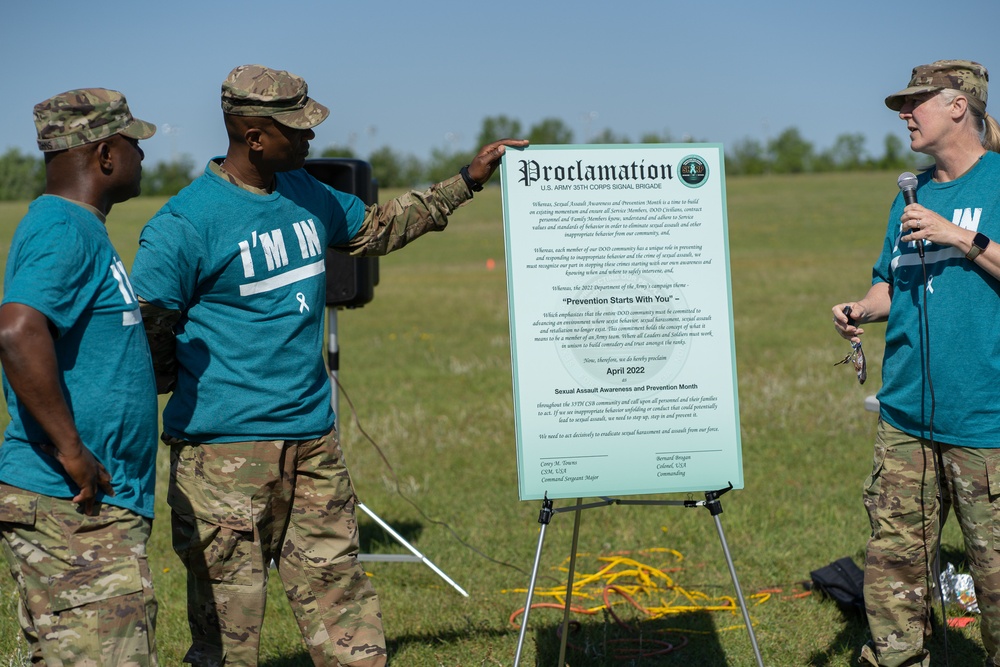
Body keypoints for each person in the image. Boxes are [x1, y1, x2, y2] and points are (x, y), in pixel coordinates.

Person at [129, 63, 526, 667]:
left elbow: (378, 228)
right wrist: (190, 392)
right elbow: (150, 330)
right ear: (253, 135)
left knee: (343, 608)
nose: (311, 139)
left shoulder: (306, 193)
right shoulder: (185, 224)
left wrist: (468, 179)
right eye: (298, 129)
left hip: (313, 443)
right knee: (228, 638)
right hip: (223, 456)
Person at [833, 60, 1000, 667]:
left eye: (917, 102)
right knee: (893, 579)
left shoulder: (998, 184)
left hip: (987, 425)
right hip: (905, 419)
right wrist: (861, 307)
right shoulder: (911, 193)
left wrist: (961, 237)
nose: (905, 114)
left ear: (959, 106)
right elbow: (890, 283)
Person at [0, 89, 159, 665]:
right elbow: (17, 329)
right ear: (106, 154)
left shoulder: (75, 226)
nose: (144, 157)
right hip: (72, 505)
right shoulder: (66, 229)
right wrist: (71, 449)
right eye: (135, 144)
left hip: (82, 508)